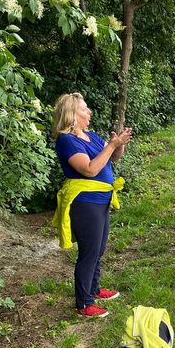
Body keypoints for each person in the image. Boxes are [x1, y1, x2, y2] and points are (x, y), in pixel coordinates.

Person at [52, 93, 132, 318]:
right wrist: (112, 145)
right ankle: (84, 303)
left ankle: (94, 290)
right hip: (85, 202)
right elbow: (89, 169)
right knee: (89, 253)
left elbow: (111, 158)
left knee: (99, 249)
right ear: (72, 115)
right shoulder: (67, 140)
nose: (89, 112)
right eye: (84, 109)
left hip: (102, 199)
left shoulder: (91, 136)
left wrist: (119, 145)